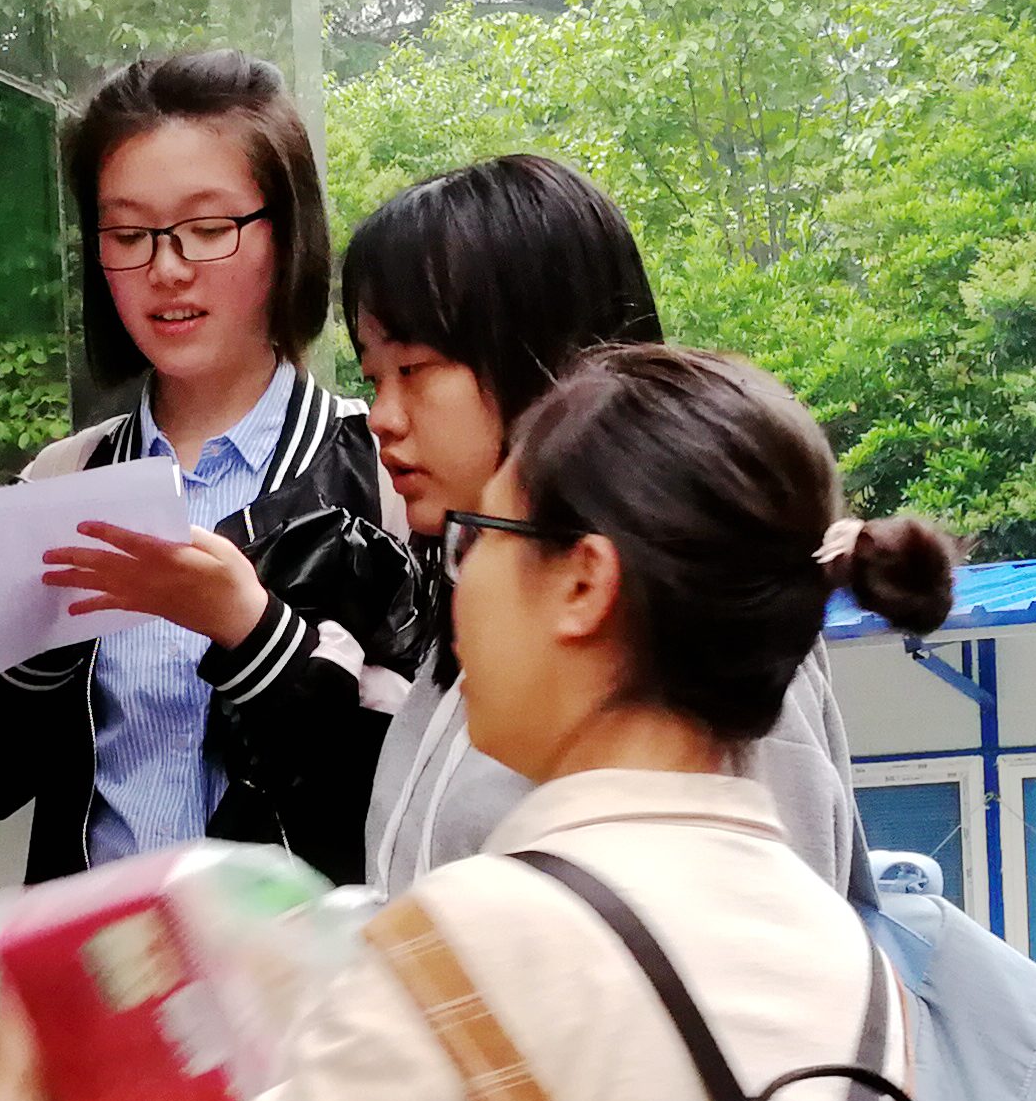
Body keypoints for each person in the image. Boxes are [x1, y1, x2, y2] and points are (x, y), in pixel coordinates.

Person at [0, 344, 957, 1101]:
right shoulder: (853, 967)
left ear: (583, 582)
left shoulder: (482, 943)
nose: (458, 579)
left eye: (478, 536)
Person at [0, 52, 420, 886]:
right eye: (128, 235)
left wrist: (251, 633)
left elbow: (412, 797)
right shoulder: (60, 481)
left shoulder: (387, 475)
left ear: (286, 234)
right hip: (100, 964)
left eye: (208, 228)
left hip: (311, 967)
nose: (166, 268)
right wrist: (39, 639)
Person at [342, 155, 864, 891]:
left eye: (413, 369)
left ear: (544, 357)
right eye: (372, 378)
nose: (381, 417)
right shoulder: (471, 624)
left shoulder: (705, 627)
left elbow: (765, 930)